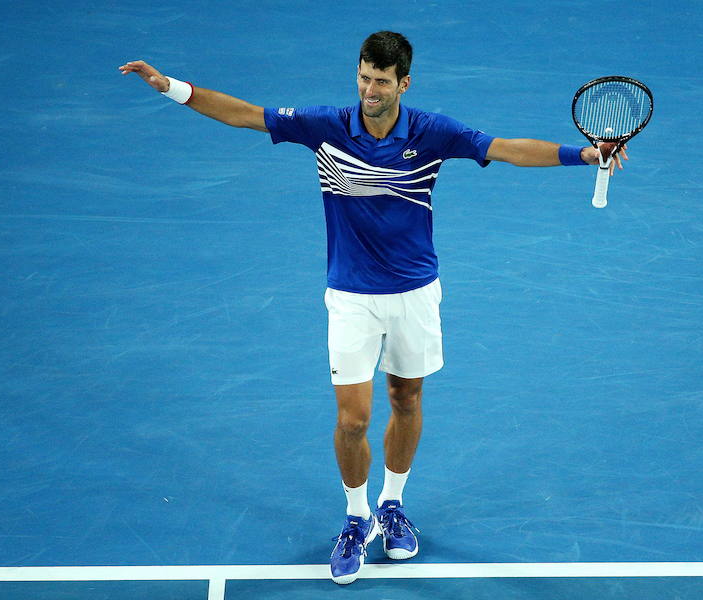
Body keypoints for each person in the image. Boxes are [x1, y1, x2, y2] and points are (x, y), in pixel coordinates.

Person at [120, 31, 626, 585]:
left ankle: (392, 503)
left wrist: (584, 155)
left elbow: (505, 148)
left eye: (381, 82)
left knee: (406, 397)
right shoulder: (326, 126)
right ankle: (357, 517)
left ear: (403, 83)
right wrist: (170, 87)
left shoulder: (434, 132)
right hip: (351, 296)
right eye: (363, 77)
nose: (369, 90)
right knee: (353, 418)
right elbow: (245, 115)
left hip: (414, 292)